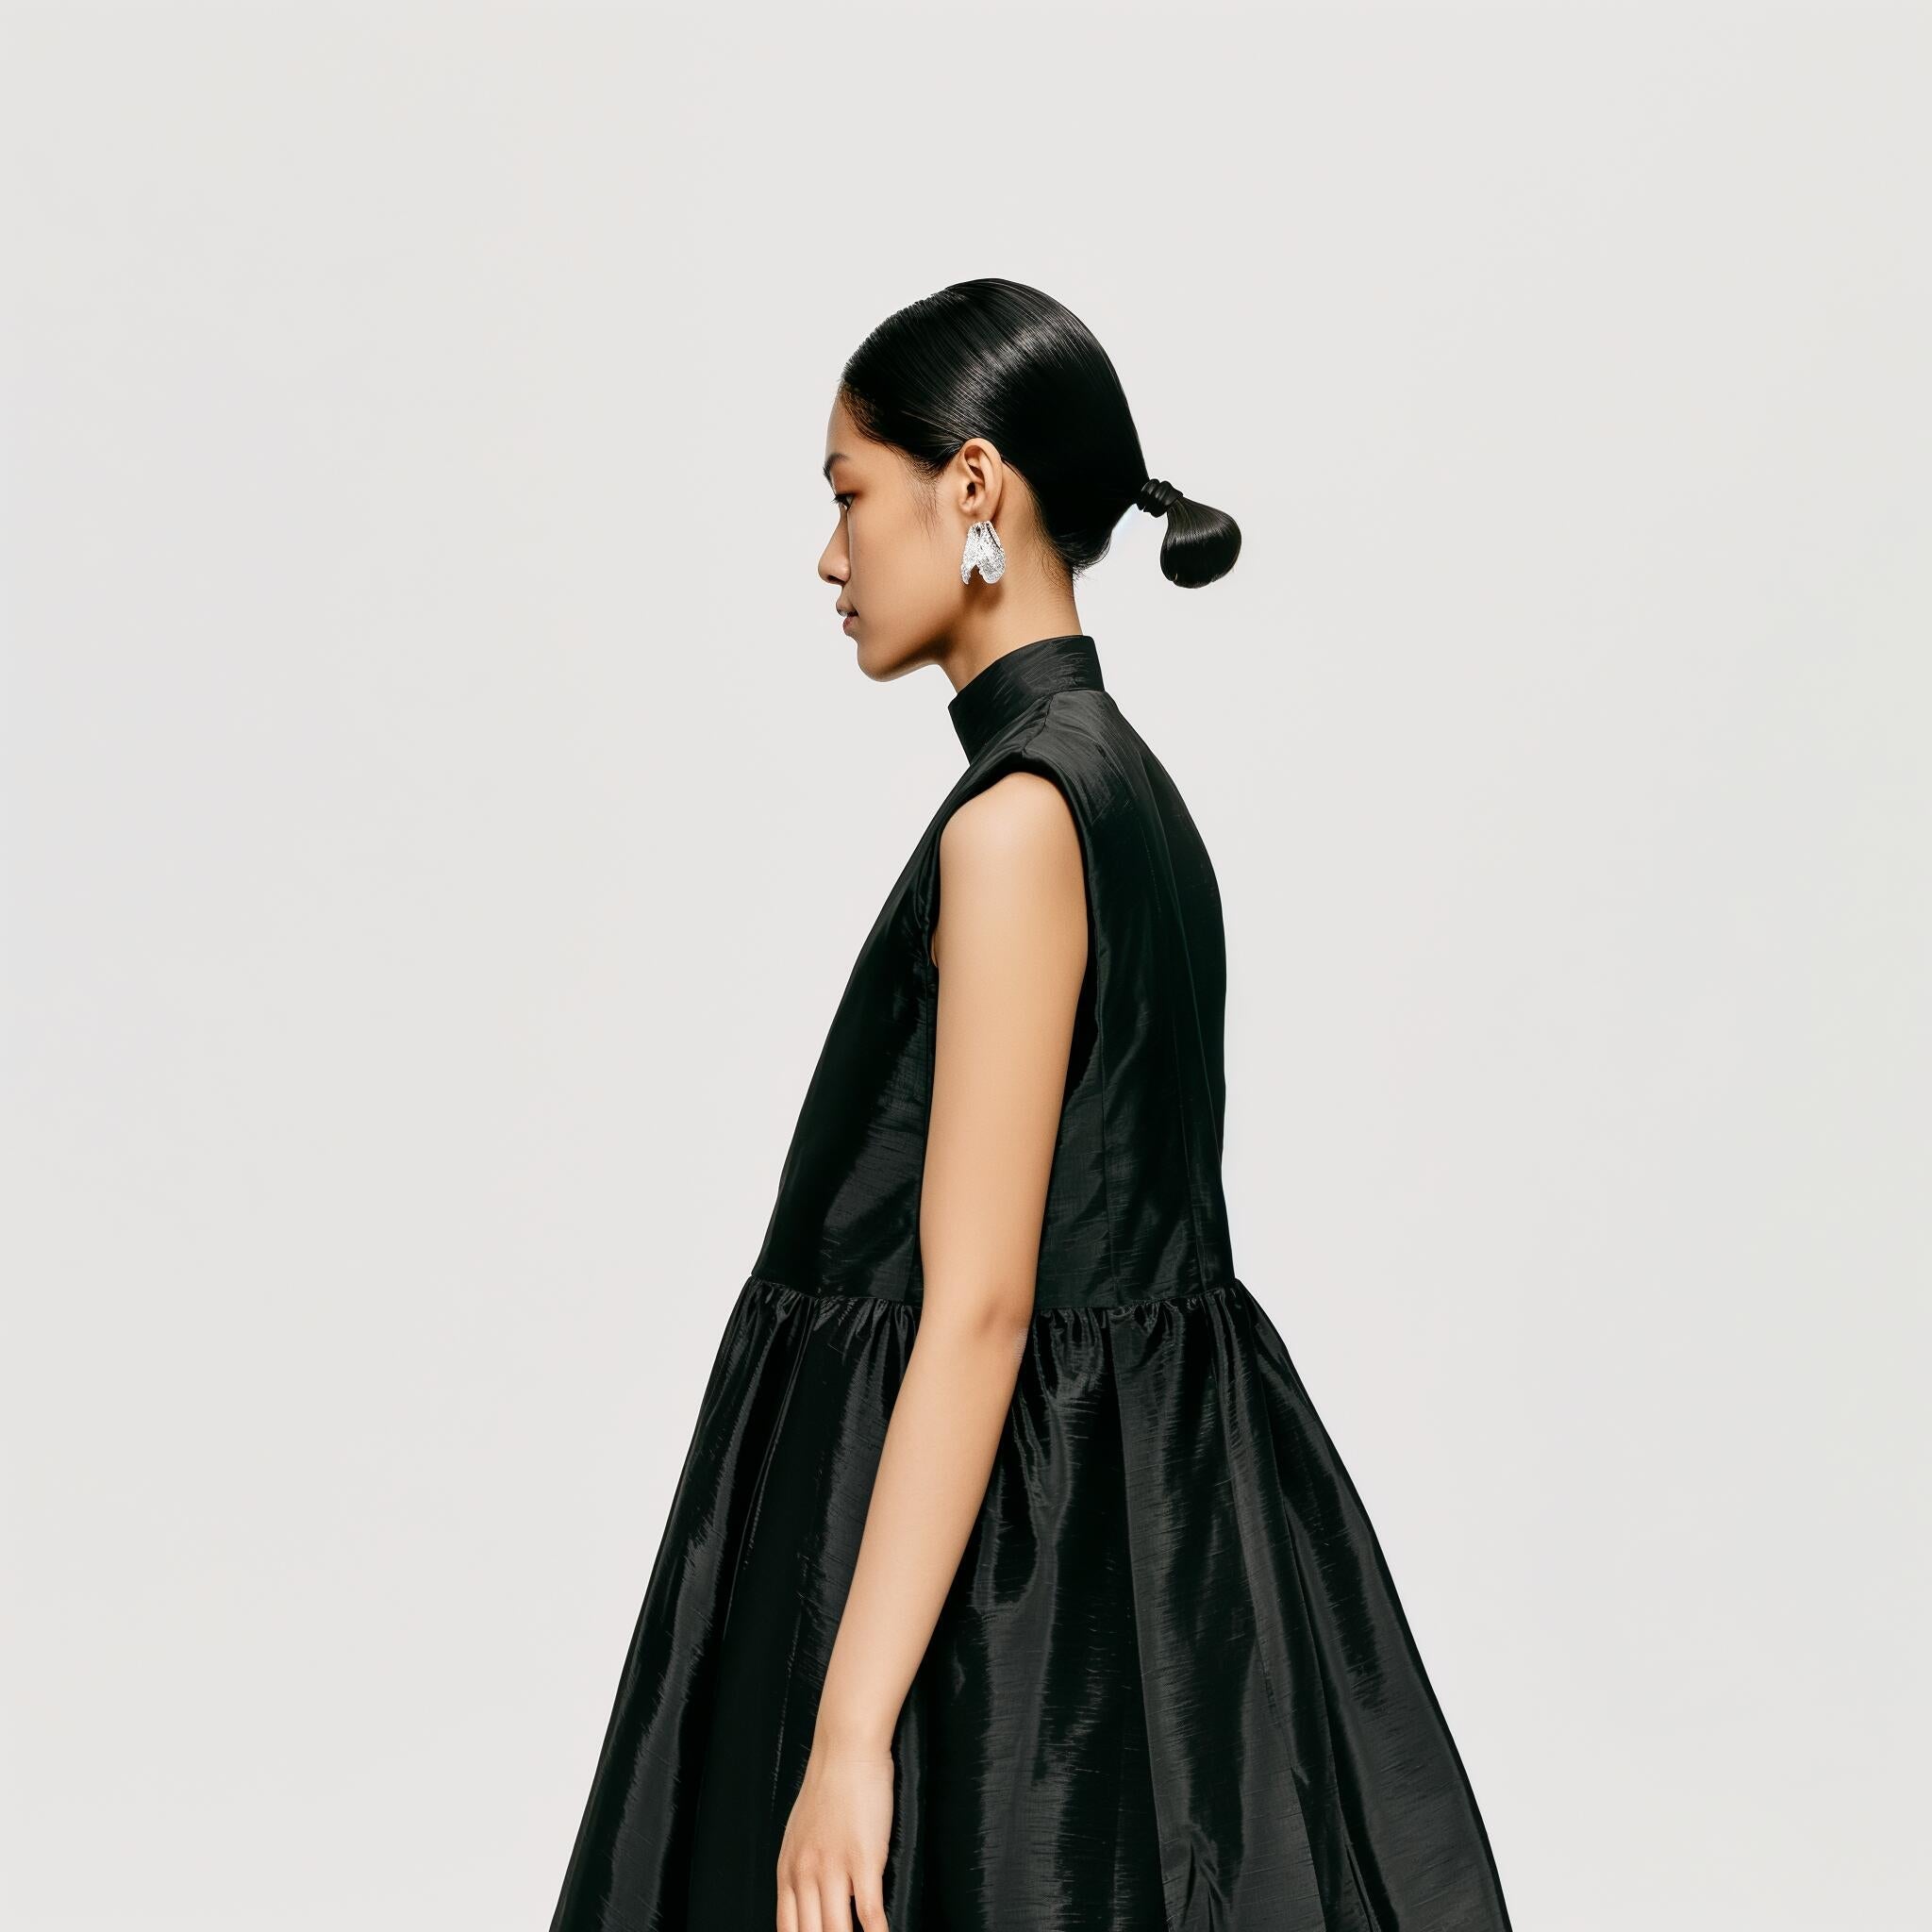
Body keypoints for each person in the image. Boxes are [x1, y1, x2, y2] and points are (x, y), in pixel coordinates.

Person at [547, 277, 1514, 1932]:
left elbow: (984, 1304)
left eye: (852, 492)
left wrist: (847, 1737)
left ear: (975, 486)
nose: (832, 557)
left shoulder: (1017, 825)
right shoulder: (1126, 793)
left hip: (1010, 1573)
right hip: (1137, 1515)